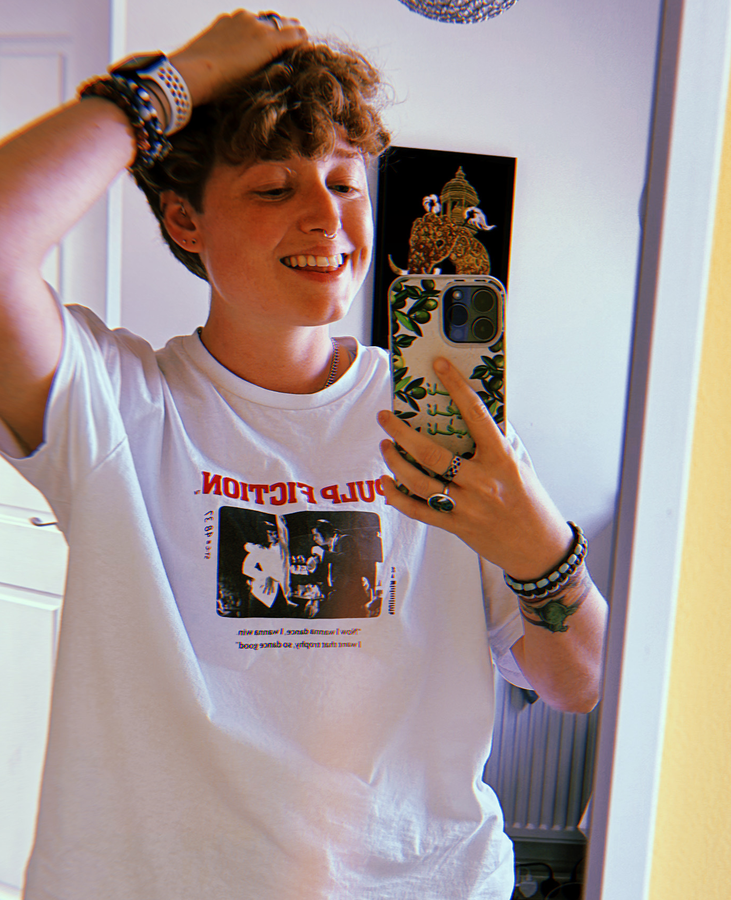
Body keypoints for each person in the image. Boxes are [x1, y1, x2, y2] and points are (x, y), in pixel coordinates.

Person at [0, 10, 606, 900]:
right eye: (274, 188)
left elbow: (580, 683)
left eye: (345, 182)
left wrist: (539, 551)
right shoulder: (118, 406)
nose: (328, 216)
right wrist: (180, 77)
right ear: (186, 218)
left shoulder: (443, 420)